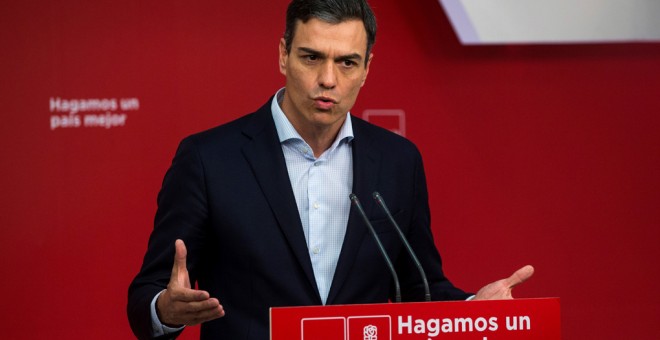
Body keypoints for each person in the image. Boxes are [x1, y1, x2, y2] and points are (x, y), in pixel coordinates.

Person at [127, 0, 534, 339]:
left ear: (367, 68)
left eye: (347, 63)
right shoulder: (209, 158)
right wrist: (165, 309)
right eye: (311, 57)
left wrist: (472, 311)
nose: (327, 79)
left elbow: (419, 288)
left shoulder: (398, 161)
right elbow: (148, 293)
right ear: (283, 54)